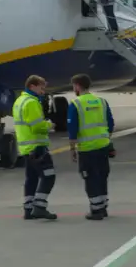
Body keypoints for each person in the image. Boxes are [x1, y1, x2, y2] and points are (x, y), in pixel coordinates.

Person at [67, 73, 115, 221]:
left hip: (87, 148)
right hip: (103, 145)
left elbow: (72, 128)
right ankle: (103, 207)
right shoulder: (101, 101)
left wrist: (72, 149)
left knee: (90, 178)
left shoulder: (76, 104)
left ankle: (96, 210)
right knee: (102, 176)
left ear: (77, 86)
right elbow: (111, 123)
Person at [13, 74, 58, 221]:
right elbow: (37, 126)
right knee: (49, 176)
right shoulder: (31, 102)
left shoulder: (19, 101)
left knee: (31, 178)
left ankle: (28, 209)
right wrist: (49, 125)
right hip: (37, 147)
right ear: (32, 86)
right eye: (41, 88)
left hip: (26, 148)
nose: (43, 91)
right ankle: (39, 206)